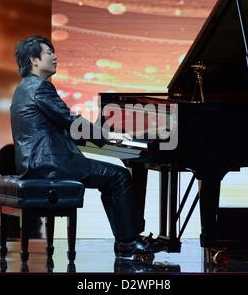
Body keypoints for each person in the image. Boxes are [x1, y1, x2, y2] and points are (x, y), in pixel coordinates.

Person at [11, 35, 162, 257]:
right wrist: (106, 136)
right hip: (51, 163)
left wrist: (100, 138)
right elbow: (70, 120)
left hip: (34, 163)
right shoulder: (41, 88)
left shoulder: (24, 88)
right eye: (49, 53)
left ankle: (125, 240)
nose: (55, 57)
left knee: (112, 179)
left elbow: (62, 125)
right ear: (34, 60)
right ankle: (128, 241)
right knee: (119, 176)